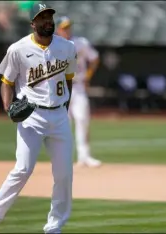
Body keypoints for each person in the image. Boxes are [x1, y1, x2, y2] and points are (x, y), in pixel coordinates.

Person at [0, 3, 77, 233]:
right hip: (31, 116)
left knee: (64, 175)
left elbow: (69, 79)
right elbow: (7, 81)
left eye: (49, 17)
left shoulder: (67, 47)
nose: (47, 21)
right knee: (23, 169)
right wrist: (8, 106)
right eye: (41, 18)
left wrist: (65, 108)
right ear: (32, 23)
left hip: (59, 117)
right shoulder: (18, 49)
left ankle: (54, 227)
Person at [55, 16, 102, 168]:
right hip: (60, 88)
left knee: (82, 119)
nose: (67, 29)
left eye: (68, 26)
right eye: (63, 27)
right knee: (63, 124)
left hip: (78, 86)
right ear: (57, 29)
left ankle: (84, 157)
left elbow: (94, 58)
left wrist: (88, 76)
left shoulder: (80, 43)